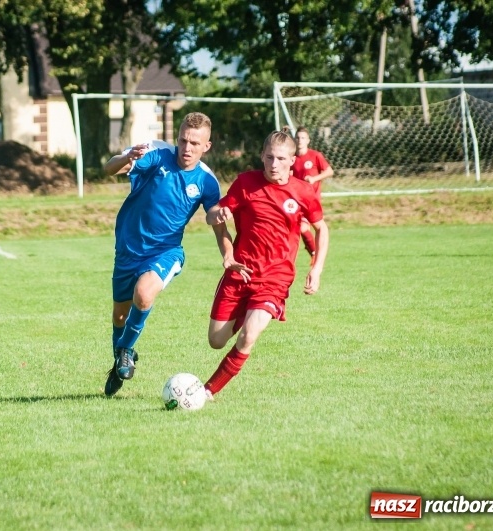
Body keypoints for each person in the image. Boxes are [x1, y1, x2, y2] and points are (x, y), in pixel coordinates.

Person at [102, 112, 230, 397]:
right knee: (120, 317)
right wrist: (126, 158)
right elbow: (110, 169)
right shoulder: (156, 153)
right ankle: (121, 357)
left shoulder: (207, 182)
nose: (187, 148)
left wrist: (228, 254)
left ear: (206, 146)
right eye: (183, 140)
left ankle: (125, 351)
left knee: (144, 294)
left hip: (166, 251)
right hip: (127, 249)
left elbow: (217, 222)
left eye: (195, 143)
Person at [202, 129, 329, 399]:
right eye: (269, 157)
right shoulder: (246, 183)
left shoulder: (303, 192)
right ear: (261, 156)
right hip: (240, 273)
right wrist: (219, 213)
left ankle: (206, 392)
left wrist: (316, 269)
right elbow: (213, 215)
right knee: (216, 341)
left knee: (249, 336)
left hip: (275, 279)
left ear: (292, 160)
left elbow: (322, 229)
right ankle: (245, 313)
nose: (274, 164)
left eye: (281, 159)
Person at [290, 126, 333, 264]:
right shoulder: (292, 158)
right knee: (298, 229)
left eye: (303, 138)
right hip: (296, 200)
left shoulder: (315, 155)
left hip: (312, 200)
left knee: (304, 228)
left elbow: (329, 171)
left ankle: (314, 253)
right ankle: (312, 254)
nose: (300, 140)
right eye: (297, 137)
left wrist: (314, 179)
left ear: (308, 140)